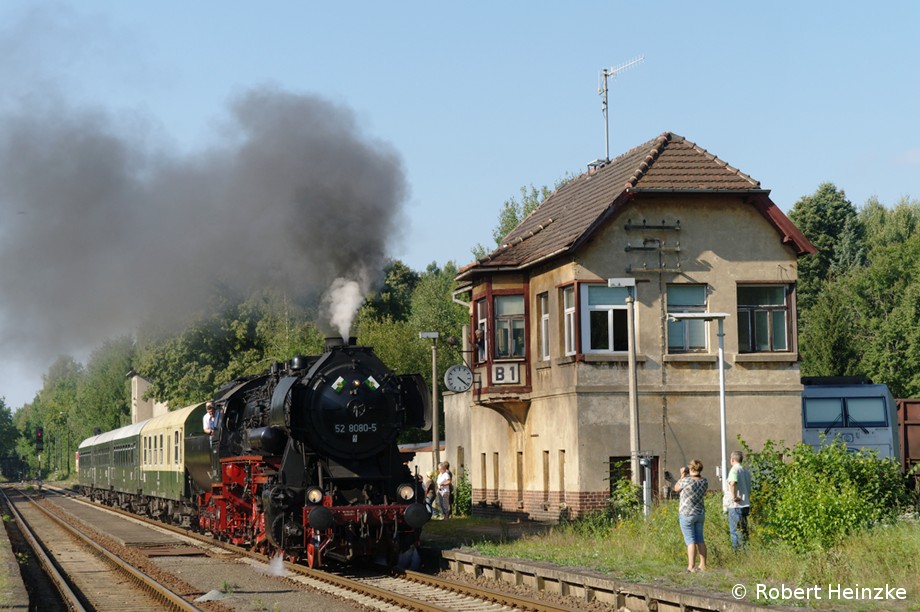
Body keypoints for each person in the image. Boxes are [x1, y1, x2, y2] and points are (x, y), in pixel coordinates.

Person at [673, 459, 708, 572]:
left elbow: (676, 488)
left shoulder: (686, 481)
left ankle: (691, 566)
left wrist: (682, 475)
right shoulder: (704, 481)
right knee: (700, 539)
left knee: (690, 541)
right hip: (700, 513)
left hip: (686, 513)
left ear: (691, 468)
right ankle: (703, 565)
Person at [726, 450, 752, 550]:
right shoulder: (746, 471)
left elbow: (732, 483)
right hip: (745, 504)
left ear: (732, 459)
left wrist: (734, 497)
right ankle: (745, 551)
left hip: (736, 505)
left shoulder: (734, 470)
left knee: (735, 531)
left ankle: (737, 553)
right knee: (743, 530)